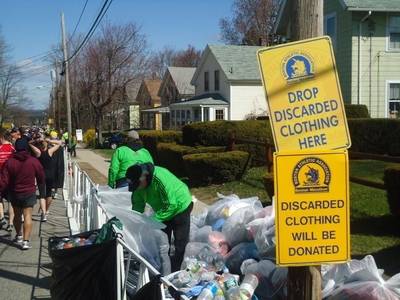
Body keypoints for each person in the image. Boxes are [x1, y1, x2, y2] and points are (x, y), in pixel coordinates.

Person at [126, 162, 193, 272]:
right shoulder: (138, 187)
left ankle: (176, 271)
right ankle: (163, 269)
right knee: (162, 242)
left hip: (180, 205)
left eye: (138, 184)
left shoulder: (160, 179)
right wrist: (135, 222)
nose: (137, 188)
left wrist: (153, 221)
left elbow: (171, 204)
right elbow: (138, 204)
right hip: (163, 208)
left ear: (144, 178)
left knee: (179, 242)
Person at [0, 138, 45, 250]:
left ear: (15, 148)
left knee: (17, 215)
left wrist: (1, 191)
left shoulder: (9, 162)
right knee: (27, 216)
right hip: (29, 191)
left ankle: (19, 234)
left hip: (15, 192)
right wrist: (40, 183)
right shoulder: (33, 161)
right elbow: (41, 175)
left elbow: (3, 180)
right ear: (26, 148)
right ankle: (26, 241)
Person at [29, 134, 62, 222]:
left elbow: (30, 143)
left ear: (40, 145)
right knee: (49, 194)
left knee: (42, 195)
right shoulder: (50, 151)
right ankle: (47, 210)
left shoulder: (38, 152)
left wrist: (37, 140)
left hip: (41, 175)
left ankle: (43, 214)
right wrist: (50, 141)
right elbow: (59, 143)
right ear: (46, 145)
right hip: (50, 174)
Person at [0, 129, 16, 231]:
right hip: (11, 177)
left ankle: (1, 217)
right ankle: (10, 223)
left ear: (2, 138)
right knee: (11, 201)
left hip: (0, 176)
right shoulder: (13, 149)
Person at [50, 131, 64, 199]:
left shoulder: (49, 146)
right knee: (56, 178)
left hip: (53, 164)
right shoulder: (59, 146)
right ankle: (55, 192)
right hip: (56, 164)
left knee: (55, 178)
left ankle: (54, 191)